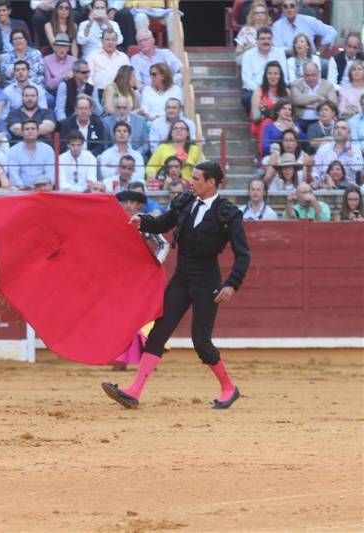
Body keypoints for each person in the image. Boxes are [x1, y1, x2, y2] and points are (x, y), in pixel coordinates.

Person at [102, 160, 250, 410]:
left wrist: (231, 285)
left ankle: (228, 387)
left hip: (207, 282)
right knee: (159, 331)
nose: (192, 182)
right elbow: (163, 224)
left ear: (212, 182)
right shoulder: (185, 203)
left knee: (201, 340)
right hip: (182, 278)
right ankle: (134, 390)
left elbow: (243, 254)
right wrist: (143, 221)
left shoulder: (227, 213)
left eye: (197, 178)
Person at [241, 27, 288, 115]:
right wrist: (261, 93)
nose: (266, 41)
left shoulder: (279, 53)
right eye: (262, 39)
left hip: (276, 88)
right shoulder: (248, 55)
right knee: (247, 98)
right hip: (256, 89)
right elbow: (247, 80)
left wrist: (272, 91)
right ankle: (256, 121)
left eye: (268, 39)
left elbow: (283, 75)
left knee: (288, 95)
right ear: (257, 41)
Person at [6, 119, 55, 190]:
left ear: (38, 132)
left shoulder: (48, 149)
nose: (30, 131)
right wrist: (23, 188)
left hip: (42, 190)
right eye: (27, 129)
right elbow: (14, 174)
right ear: (22, 133)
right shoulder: (13, 150)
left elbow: (50, 173)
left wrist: (41, 187)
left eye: (33, 129)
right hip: (21, 191)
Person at [290, 62, 337, 133]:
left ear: (319, 73)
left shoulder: (328, 85)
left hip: (321, 121)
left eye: (313, 75)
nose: (310, 78)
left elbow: (333, 104)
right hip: (300, 120)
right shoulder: (296, 84)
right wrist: (318, 98)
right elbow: (297, 100)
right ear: (303, 74)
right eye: (307, 75)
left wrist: (305, 105)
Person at [85, 29, 129, 97]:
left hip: (120, 94)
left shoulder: (123, 57)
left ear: (116, 42)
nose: (110, 42)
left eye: (113, 40)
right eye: (107, 39)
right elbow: (89, 77)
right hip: (99, 93)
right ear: (102, 41)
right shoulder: (93, 55)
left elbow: (128, 76)